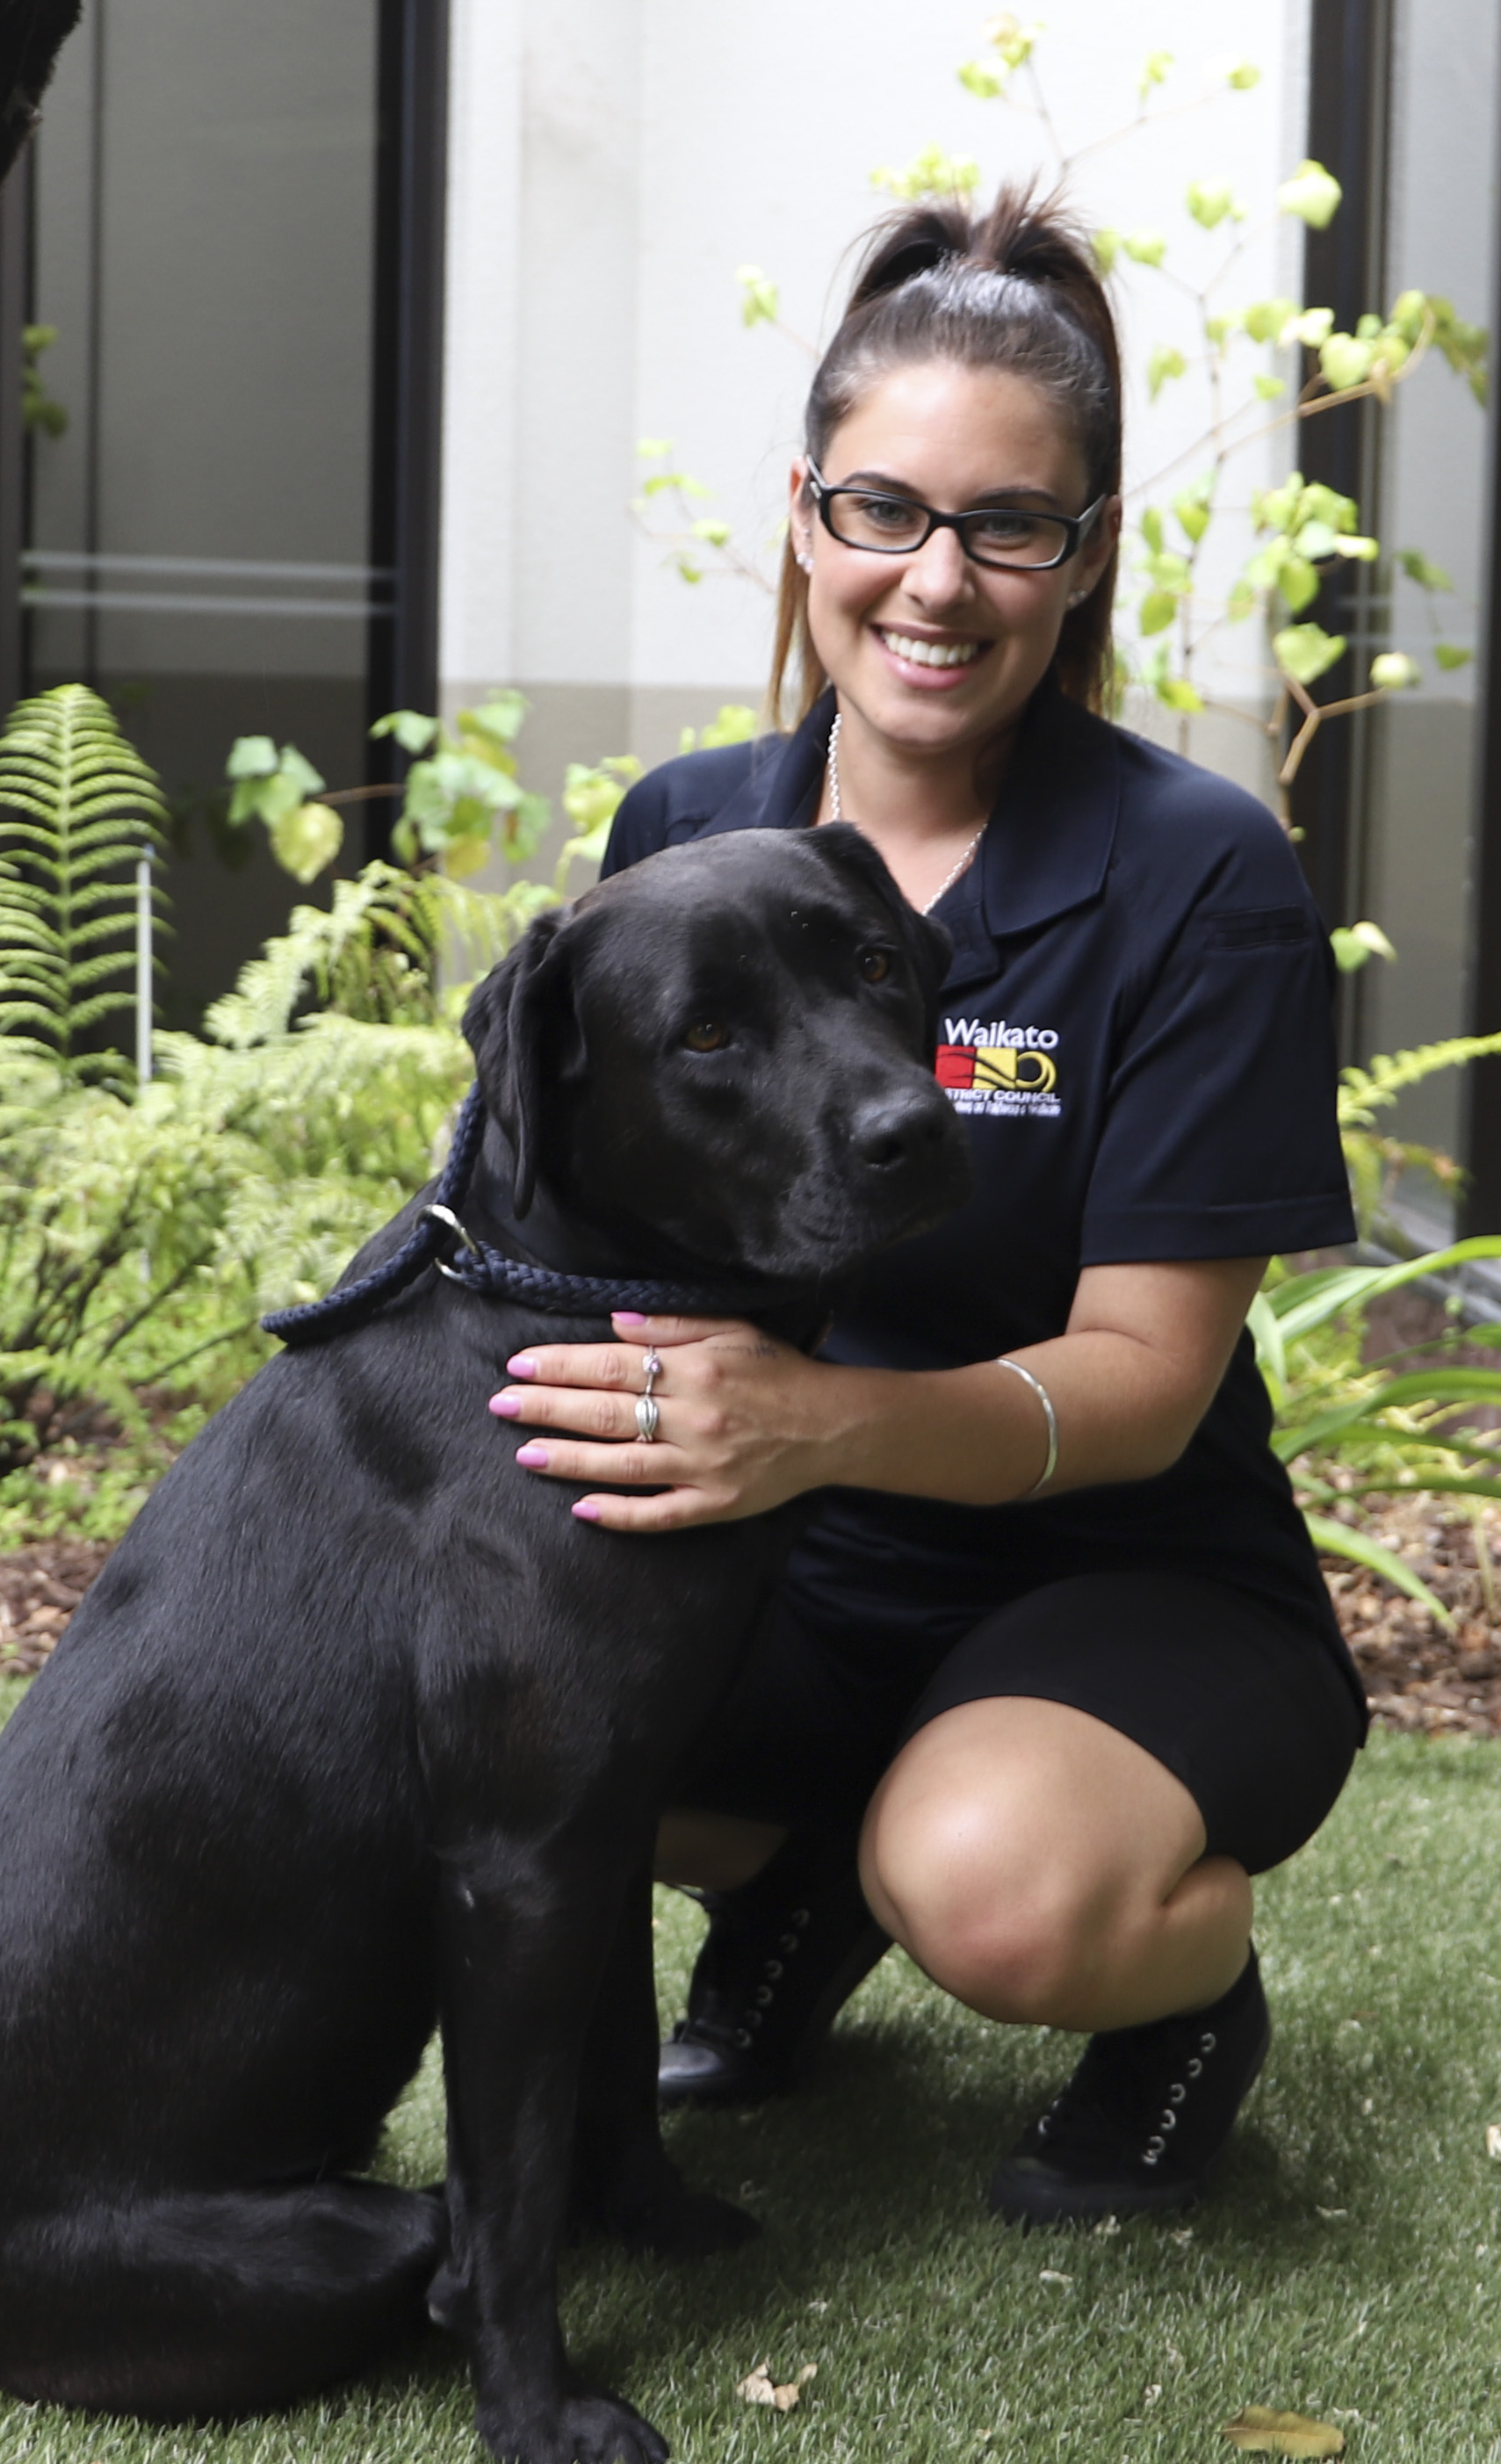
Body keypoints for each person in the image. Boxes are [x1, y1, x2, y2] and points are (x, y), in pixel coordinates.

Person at [478, 184, 1363, 2225]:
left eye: (1008, 525)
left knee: (990, 1886)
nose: (937, 582)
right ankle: (803, 1898)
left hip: (1126, 1566)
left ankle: (1179, 1995)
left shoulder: (1198, 876)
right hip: (793, 1561)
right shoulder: (687, 831)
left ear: (1088, 552)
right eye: (884, 511)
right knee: (521, 1727)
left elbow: (1145, 1381)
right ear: (808, 518)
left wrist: (811, 1426)